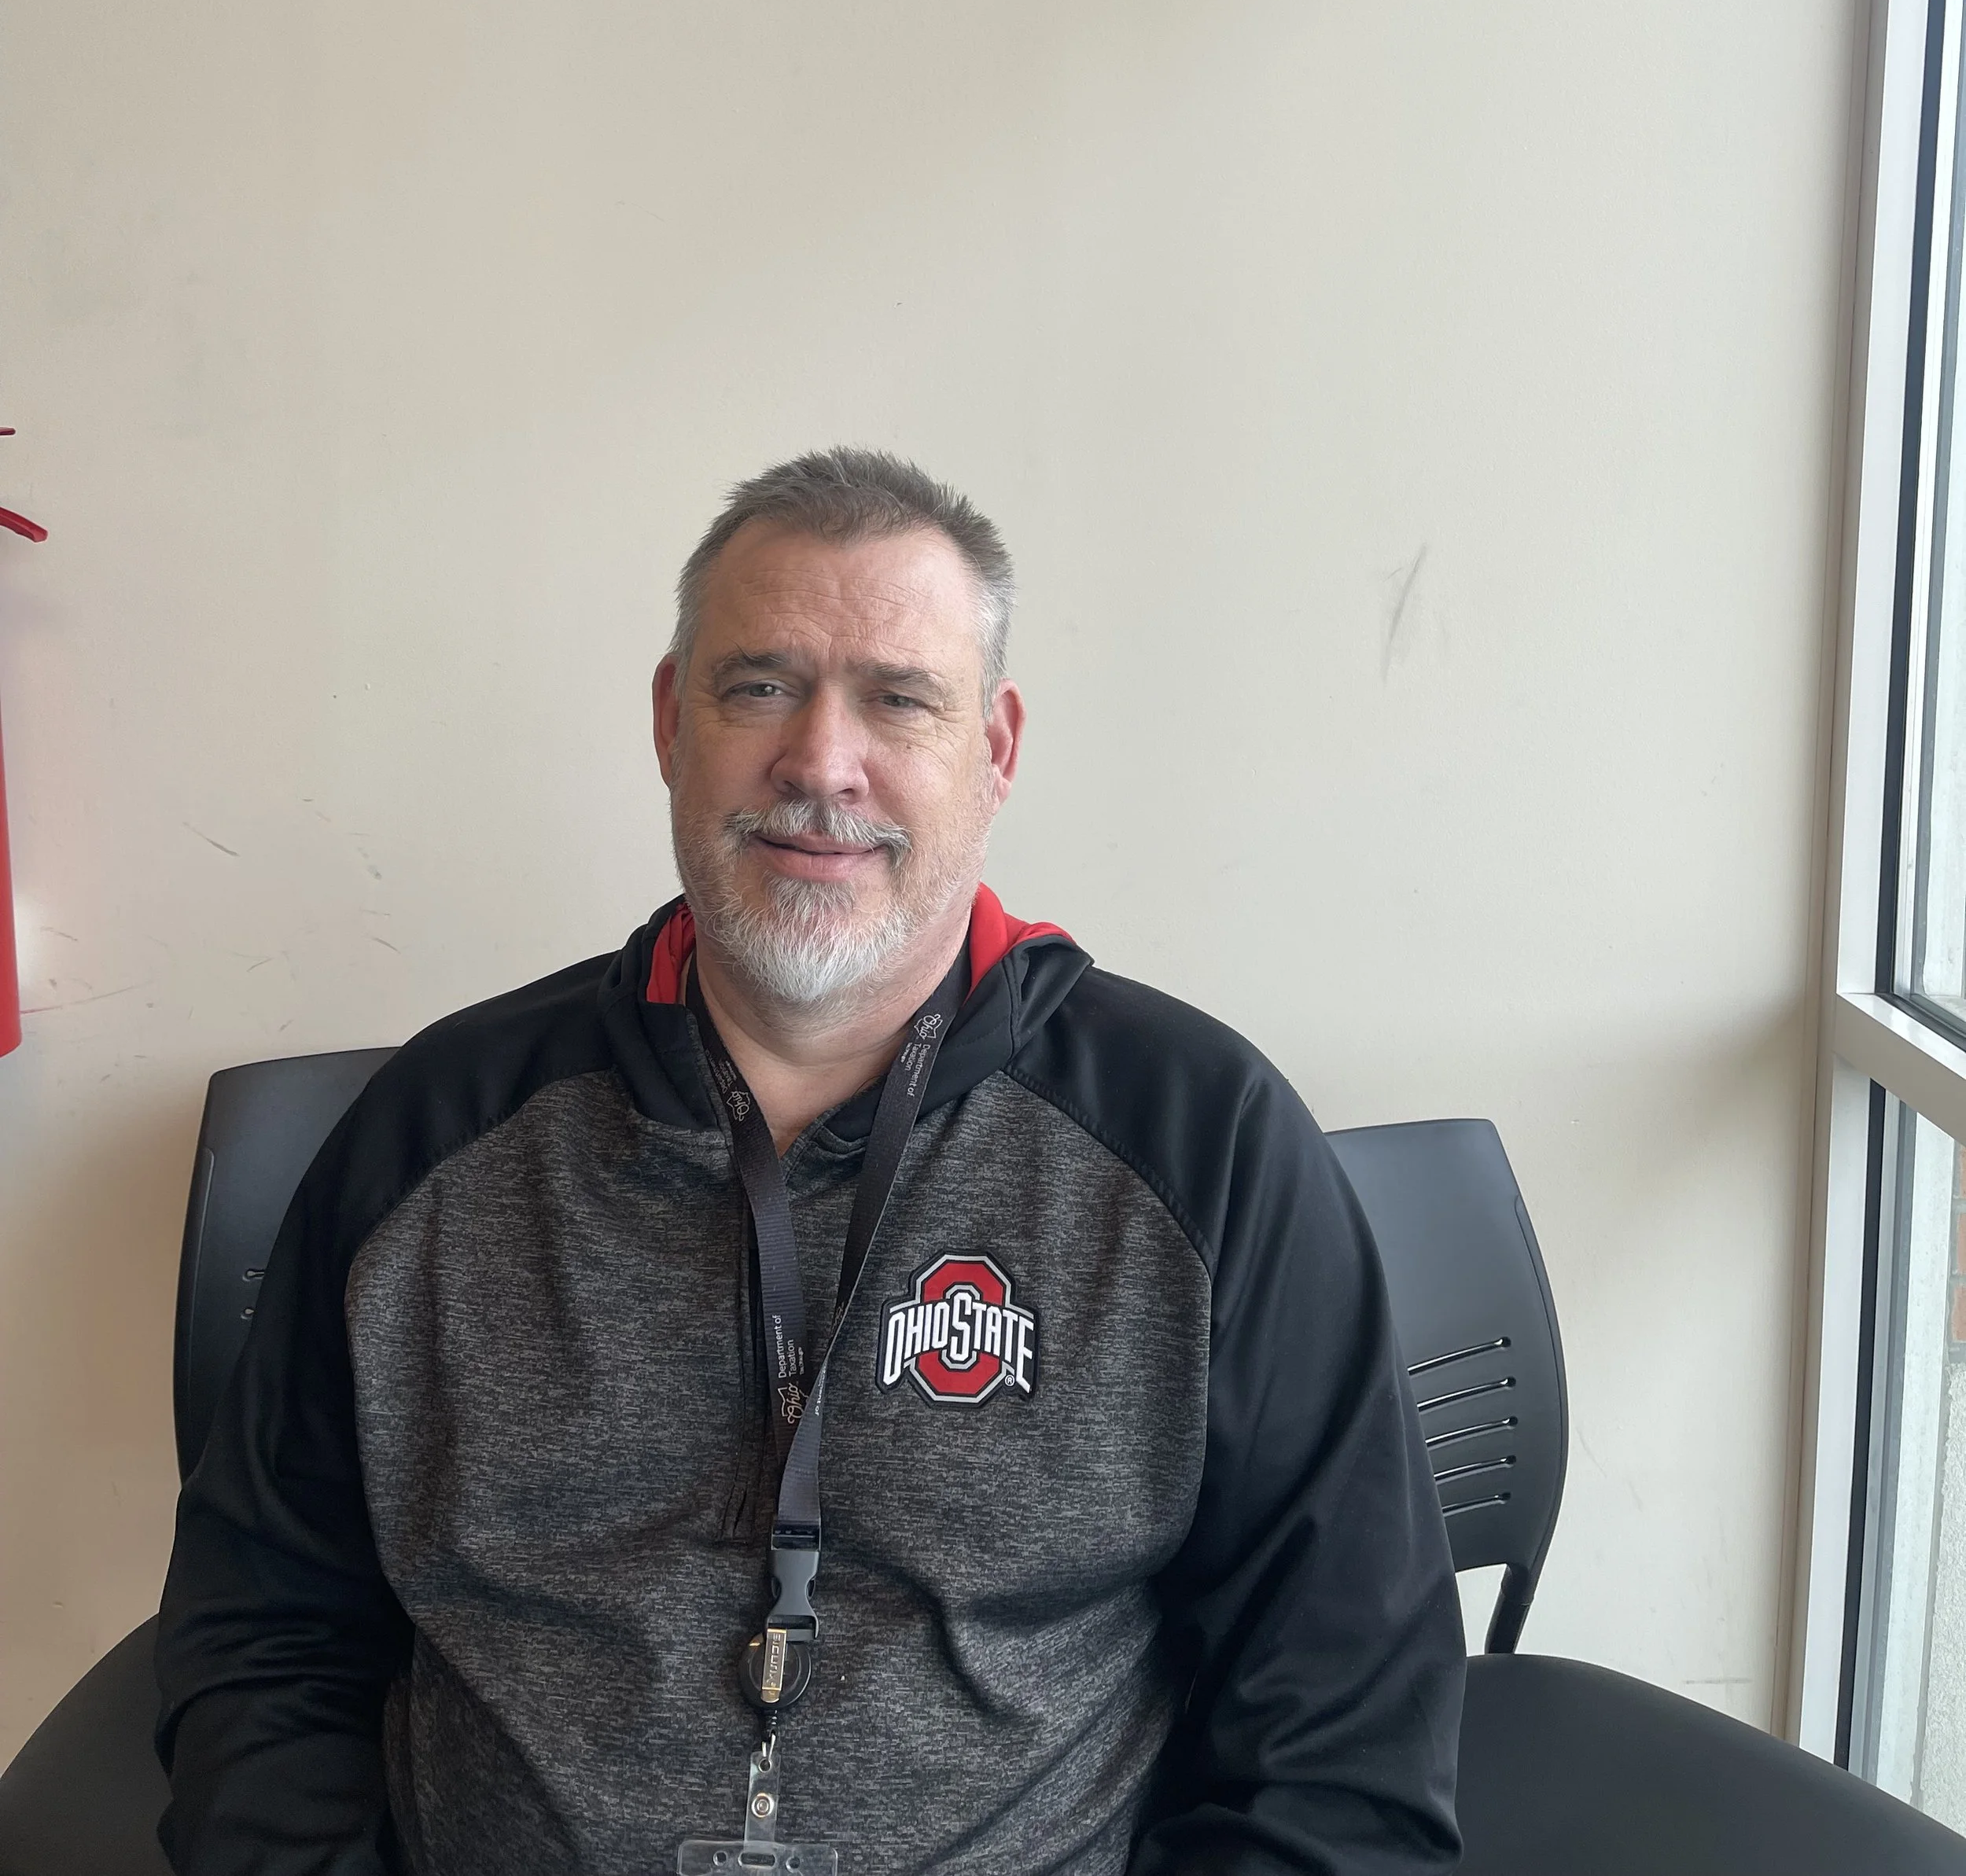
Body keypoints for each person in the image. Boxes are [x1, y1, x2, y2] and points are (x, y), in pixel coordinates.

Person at [155, 447, 1464, 1876]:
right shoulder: (433, 1137)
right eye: (760, 685)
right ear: (672, 720)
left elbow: (1340, 1733)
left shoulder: (1204, 1143)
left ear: (997, 749)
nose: (820, 762)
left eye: (899, 698)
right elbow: (263, 1632)